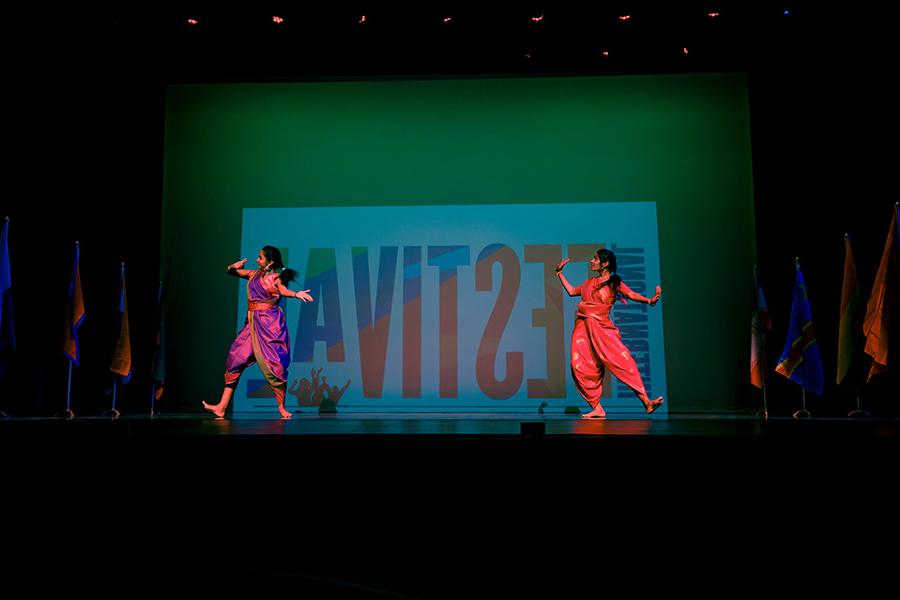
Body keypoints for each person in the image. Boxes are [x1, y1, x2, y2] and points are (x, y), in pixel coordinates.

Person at [203, 246, 313, 419]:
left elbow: (283, 290)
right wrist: (233, 266)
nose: (257, 260)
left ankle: (282, 407)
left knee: (275, 364)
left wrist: (296, 293)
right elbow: (231, 272)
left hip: (269, 324)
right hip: (252, 324)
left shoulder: (276, 278)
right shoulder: (253, 274)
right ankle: (221, 406)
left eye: (260, 258)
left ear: (270, 262)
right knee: (236, 357)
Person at [556, 248, 664, 418]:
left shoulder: (614, 283)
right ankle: (596, 407)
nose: (591, 261)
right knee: (581, 366)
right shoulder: (589, 283)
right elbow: (571, 292)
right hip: (584, 330)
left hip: (603, 329)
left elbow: (631, 294)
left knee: (624, 361)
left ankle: (646, 402)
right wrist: (560, 273)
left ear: (604, 263)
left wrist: (649, 300)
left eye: (595, 258)